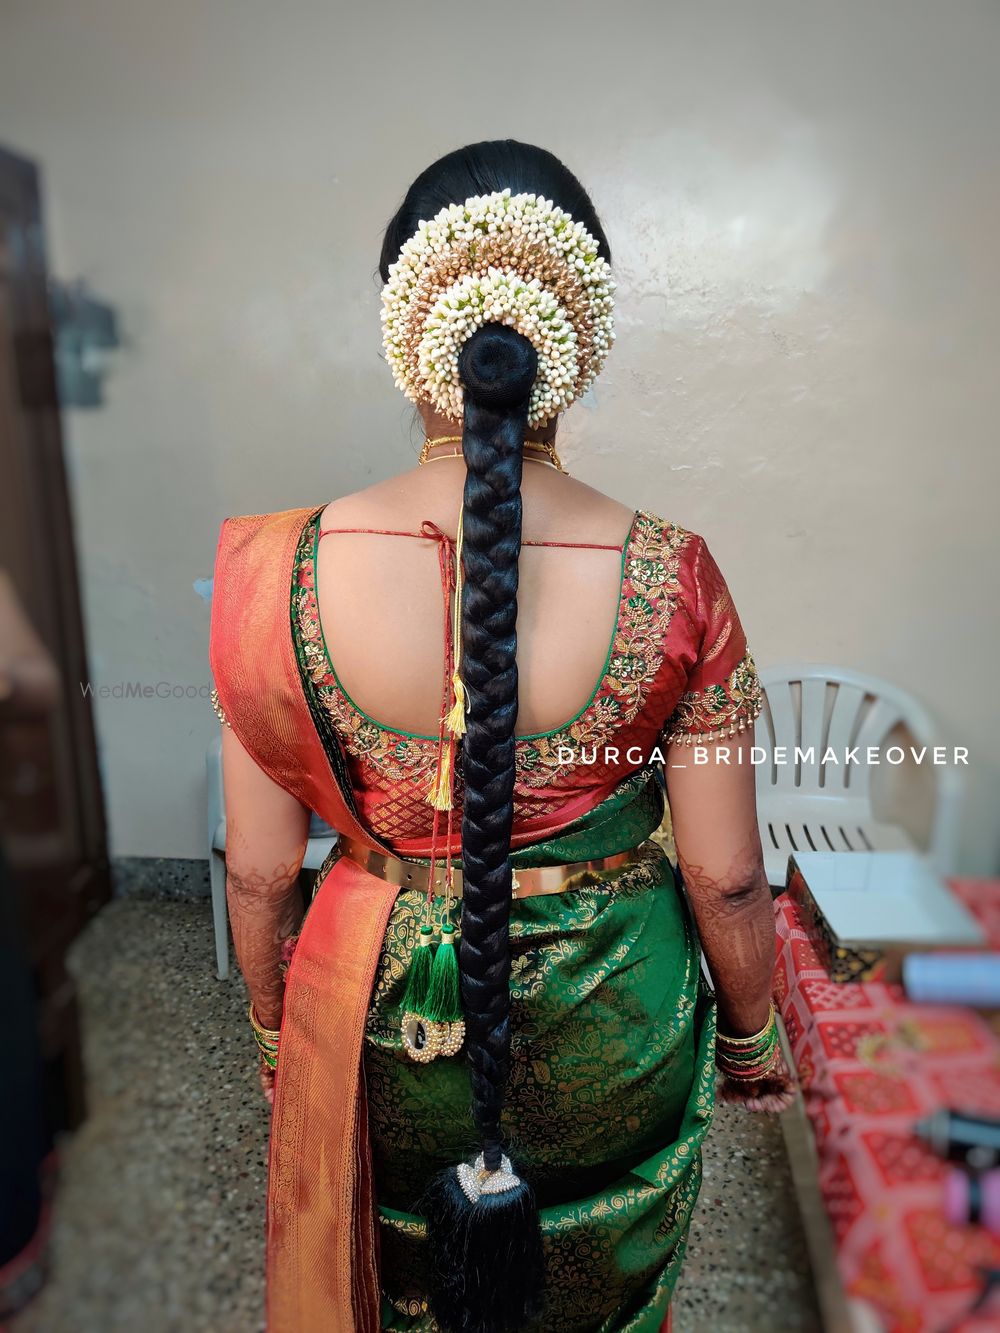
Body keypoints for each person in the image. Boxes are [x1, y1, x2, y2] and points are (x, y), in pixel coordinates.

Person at [209, 139, 794, 1333]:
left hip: (376, 1008)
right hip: (610, 1014)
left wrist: (279, 1036)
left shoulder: (277, 572)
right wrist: (754, 1038)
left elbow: (263, 870)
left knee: (398, 1284)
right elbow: (724, 873)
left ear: (403, 326)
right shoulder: (674, 573)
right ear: (579, 330)